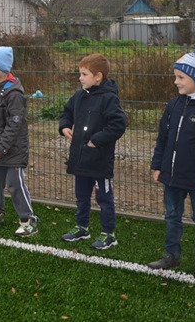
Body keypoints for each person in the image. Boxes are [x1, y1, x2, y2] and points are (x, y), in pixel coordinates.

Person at [148, 45, 195, 281]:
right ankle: (171, 254)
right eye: (175, 77)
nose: (176, 82)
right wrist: (158, 165)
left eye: (180, 77)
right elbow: (163, 137)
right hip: (172, 175)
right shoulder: (173, 105)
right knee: (172, 215)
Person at [58, 53, 127, 251]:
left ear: (98, 76)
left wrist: (97, 140)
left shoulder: (109, 99)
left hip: (99, 161)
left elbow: (118, 125)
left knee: (104, 197)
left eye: (84, 74)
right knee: (81, 195)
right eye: (80, 73)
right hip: (80, 159)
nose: (80, 78)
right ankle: (82, 227)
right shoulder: (79, 96)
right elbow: (67, 112)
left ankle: (108, 233)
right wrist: (64, 126)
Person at [0, 46, 37, 237]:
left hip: (14, 150)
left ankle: (28, 220)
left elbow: (14, 126)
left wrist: (1, 147)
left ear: (3, 68)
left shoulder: (14, 94)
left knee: (15, 184)